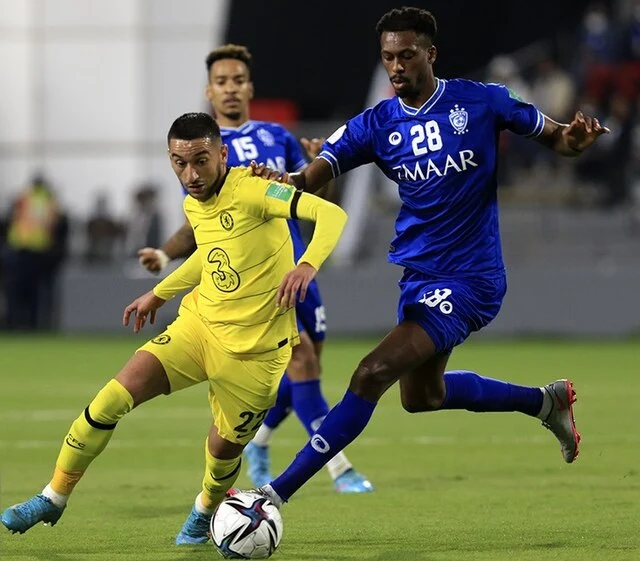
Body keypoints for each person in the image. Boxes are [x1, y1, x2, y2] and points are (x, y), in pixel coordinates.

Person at [246, 7, 609, 509]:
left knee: (371, 372)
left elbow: (558, 137)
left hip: (471, 279)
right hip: (419, 278)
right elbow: (312, 176)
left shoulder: (482, 101)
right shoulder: (376, 124)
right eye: (388, 57)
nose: (396, 66)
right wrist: (284, 181)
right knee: (421, 397)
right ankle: (545, 402)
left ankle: (271, 497)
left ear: (430, 54)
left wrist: (575, 140)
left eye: (407, 55)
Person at [1, 112, 347, 543]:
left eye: (201, 161)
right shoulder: (192, 203)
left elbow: (330, 215)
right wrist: (160, 293)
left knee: (222, 453)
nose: (191, 175)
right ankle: (53, 497)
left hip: (256, 355)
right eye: (180, 163)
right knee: (110, 400)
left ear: (222, 154)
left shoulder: (257, 189)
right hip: (198, 329)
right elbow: (210, 253)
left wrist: (307, 264)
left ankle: (204, 510)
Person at [138, 44, 372, 493]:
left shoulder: (276, 137)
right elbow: (198, 227)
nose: (230, 89)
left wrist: (322, 169)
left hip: (297, 268)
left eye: (238, 80)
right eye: (221, 82)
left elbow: (311, 200)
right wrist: (166, 256)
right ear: (210, 91)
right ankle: (339, 467)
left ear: (250, 87)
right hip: (251, 283)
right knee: (302, 360)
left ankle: (260, 441)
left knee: (303, 370)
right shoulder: (201, 153)